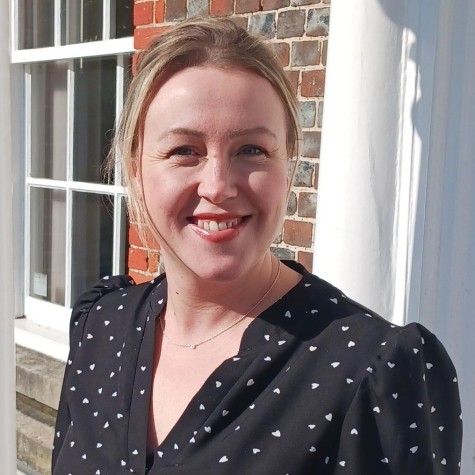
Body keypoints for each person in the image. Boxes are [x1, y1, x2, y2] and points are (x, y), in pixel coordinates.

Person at [52, 17, 462, 475]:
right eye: (184, 150)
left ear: (287, 168)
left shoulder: (373, 372)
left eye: (252, 150)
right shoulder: (101, 325)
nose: (218, 186)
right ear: (135, 169)